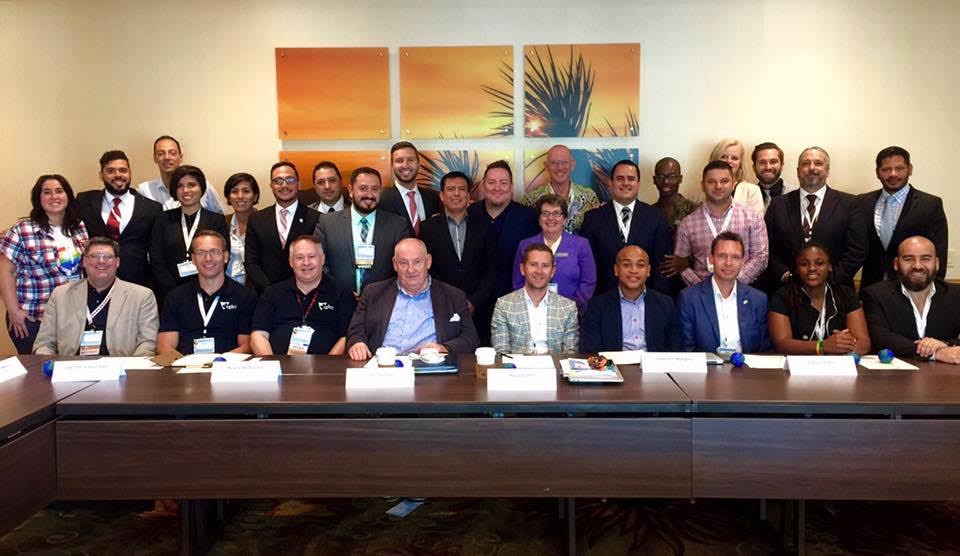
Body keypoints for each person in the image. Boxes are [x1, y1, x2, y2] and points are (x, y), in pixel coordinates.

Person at [346, 238, 478, 360]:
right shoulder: (373, 293)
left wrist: (443, 348)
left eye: (417, 262)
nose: (411, 270)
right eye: (404, 263)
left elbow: (470, 338)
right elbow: (355, 330)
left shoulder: (453, 296)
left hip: (429, 367)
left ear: (428, 262)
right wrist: (357, 343)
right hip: (383, 366)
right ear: (395, 264)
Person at [0, 175, 88, 353]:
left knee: (68, 366)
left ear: (68, 195)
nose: (54, 196)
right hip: (33, 318)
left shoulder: (78, 227)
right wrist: (14, 311)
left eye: (59, 191)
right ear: (38, 199)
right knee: (37, 368)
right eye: (47, 192)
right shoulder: (22, 230)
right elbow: (5, 271)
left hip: (70, 317)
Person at [33, 237, 159, 356]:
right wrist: (52, 367)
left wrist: (131, 368)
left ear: (117, 262)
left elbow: (147, 343)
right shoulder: (60, 295)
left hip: (120, 366)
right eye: (94, 256)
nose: (101, 261)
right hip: (72, 366)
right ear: (84, 261)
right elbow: (44, 344)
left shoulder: (142, 296)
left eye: (108, 256)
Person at [764, 147, 866, 290]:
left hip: (836, 290)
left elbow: (857, 250)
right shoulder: (778, 205)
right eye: (806, 163)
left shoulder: (850, 204)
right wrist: (785, 275)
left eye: (818, 163)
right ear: (798, 171)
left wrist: (829, 280)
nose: (812, 168)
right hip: (787, 290)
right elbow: (767, 248)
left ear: (827, 170)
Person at [419, 171, 498, 343]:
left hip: (479, 310)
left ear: (468, 196)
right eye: (451, 189)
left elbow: (492, 269)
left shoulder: (485, 226)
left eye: (462, 189)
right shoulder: (428, 228)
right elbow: (427, 269)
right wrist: (449, 300)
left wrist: (474, 301)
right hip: (440, 307)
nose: (456, 194)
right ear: (441, 196)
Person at [856, 146, 948, 289]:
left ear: (910, 169)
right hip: (871, 287)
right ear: (877, 172)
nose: (893, 174)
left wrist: (936, 292)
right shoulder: (862, 202)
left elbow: (939, 252)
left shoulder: (930, 205)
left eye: (899, 168)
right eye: (886, 169)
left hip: (914, 287)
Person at [314, 167, 412, 295]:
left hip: (382, 299)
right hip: (338, 299)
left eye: (375, 189)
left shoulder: (397, 225)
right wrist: (339, 291)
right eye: (363, 188)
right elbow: (318, 262)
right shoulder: (327, 223)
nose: (369, 195)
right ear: (351, 191)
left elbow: (404, 265)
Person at [251, 235, 355, 356]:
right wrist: (271, 364)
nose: (306, 262)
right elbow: (258, 334)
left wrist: (328, 363)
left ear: (322, 259)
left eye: (311, 256)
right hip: (277, 364)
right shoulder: (272, 293)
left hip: (326, 365)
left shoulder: (342, 294)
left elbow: (346, 337)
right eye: (299, 257)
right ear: (291, 261)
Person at [156, 231, 257, 355]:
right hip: (184, 364)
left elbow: (247, 346)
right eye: (201, 253)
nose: (208, 258)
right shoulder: (175, 297)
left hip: (228, 364)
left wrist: (220, 362)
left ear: (226, 257)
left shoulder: (245, 297)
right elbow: (164, 345)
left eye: (215, 252)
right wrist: (184, 363)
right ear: (193, 259)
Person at [861, 236, 960, 362]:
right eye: (908, 259)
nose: (917, 266)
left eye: (925, 259)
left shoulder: (956, 295)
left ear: (937, 263)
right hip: (895, 371)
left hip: (945, 372)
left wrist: (945, 343)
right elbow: (881, 339)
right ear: (896, 264)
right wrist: (935, 353)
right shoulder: (875, 295)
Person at [670, 161, 768, 286]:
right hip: (701, 293)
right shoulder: (687, 224)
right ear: (702, 185)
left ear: (733, 184)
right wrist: (704, 289)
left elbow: (760, 257)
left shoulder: (752, 217)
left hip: (743, 291)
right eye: (711, 182)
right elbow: (680, 264)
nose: (718, 186)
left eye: (724, 181)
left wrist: (733, 285)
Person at [580, 159, 671, 294]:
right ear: (611, 183)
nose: (626, 183)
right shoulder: (592, 219)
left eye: (631, 179)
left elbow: (661, 265)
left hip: (645, 297)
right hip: (604, 297)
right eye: (620, 178)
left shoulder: (656, 217)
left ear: (638, 184)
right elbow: (588, 265)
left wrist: (655, 299)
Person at [75, 150, 163, 287]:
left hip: (137, 283)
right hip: (95, 281)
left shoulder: (151, 208)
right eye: (111, 171)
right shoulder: (84, 201)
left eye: (123, 170)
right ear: (101, 175)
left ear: (130, 173)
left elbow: (157, 252)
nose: (118, 175)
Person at [768, 243, 870, 355]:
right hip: (798, 364)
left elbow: (864, 342)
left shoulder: (846, 294)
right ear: (796, 269)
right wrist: (822, 346)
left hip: (839, 362)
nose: (812, 268)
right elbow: (782, 344)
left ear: (830, 266)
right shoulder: (783, 296)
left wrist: (844, 346)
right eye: (804, 264)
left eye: (819, 263)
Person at [677, 231, 770, 353]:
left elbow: (763, 350)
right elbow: (686, 350)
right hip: (705, 365)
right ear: (711, 259)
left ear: (743, 261)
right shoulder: (689, 298)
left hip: (747, 365)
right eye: (722, 256)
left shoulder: (758, 300)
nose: (728, 263)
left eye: (735, 257)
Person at [150, 165, 229, 301]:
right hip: (169, 293)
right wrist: (173, 292)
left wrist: (204, 288)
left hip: (208, 291)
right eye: (180, 186)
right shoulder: (162, 219)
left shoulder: (216, 220)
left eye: (191, 185)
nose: (186, 190)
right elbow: (156, 259)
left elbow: (222, 258)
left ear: (202, 188)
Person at [580, 246, 678, 353]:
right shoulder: (598, 306)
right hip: (613, 363)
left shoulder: (665, 304)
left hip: (654, 363)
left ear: (648, 271)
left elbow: (675, 348)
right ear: (616, 270)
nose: (633, 270)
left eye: (640, 265)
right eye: (626, 265)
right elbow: (591, 350)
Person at [244, 161, 320, 293]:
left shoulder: (316, 218)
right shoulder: (256, 219)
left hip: (306, 293)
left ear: (298, 184)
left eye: (290, 180)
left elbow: (319, 261)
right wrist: (270, 291)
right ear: (271, 186)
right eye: (278, 181)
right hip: (266, 294)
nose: (284, 185)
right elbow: (251, 262)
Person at [467, 160, 539, 298]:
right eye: (491, 182)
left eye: (503, 183)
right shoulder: (469, 214)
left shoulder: (528, 217)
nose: (497, 188)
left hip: (515, 297)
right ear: (483, 186)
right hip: (474, 300)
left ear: (511, 187)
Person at [512, 194, 596, 313]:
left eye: (556, 213)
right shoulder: (525, 245)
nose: (550, 218)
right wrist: (532, 307)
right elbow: (518, 282)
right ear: (539, 219)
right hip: (532, 312)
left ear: (565, 219)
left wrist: (571, 306)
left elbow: (588, 282)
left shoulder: (581, 244)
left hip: (572, 312)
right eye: (545, 213)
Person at [492, 243, 579, 354]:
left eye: (545, 266)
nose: (539, 271)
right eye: (533, 264)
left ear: (552, 272)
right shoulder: (504, 305)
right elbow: (501, 353)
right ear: (522, 269)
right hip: (516, 365)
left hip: (555, 365)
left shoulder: (568, 307)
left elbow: (570, 354)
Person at [521, 144, 600, 233]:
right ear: (546, 166)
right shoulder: (531, 199)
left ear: (572, 165)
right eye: (554, 162)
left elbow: (596, 231)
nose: (560, 167)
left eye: (564, 162)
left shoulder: (589, 197)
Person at [136, 135, 224, 213]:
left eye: (172, 153)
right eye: (161, 153)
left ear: (180, 157)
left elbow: (219, 215)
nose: (167, 157)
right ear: (155, 158)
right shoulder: (144, 190)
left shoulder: (202, 186)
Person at [379, 141, 440, 235]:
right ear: (392, 165)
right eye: (399, 160)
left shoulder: (432, 197)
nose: (405, 165)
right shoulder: (382, 199)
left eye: (411, 160)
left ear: (418, 163)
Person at [710, 138, 764, 215]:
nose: (729, 161)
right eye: (723, 157)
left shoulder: (752, 191)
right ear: (715, 159)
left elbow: (757, 221)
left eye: (734, 158)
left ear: (740, 164)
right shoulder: (704, 189)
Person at [223, 172, 259, 286]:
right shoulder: (222, 223)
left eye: (246, 191)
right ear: (229, 197)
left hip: (256, 288)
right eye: (234, 191)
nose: (240, 196)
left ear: (255, 196)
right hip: (226, 287)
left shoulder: (265, 223)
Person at [652, 157, 700, 238]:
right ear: (654, 180)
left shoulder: (694, 210)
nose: (666, 181)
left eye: (672, 176)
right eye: (660, 177)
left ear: (680, 179)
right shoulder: (649, 213)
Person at [751, 142, 796, 210]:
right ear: (754, 167)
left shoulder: (797, 195)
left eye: (773, 162)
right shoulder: (746, 197)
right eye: (762, 162)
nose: (768, 167)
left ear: (782, 165)